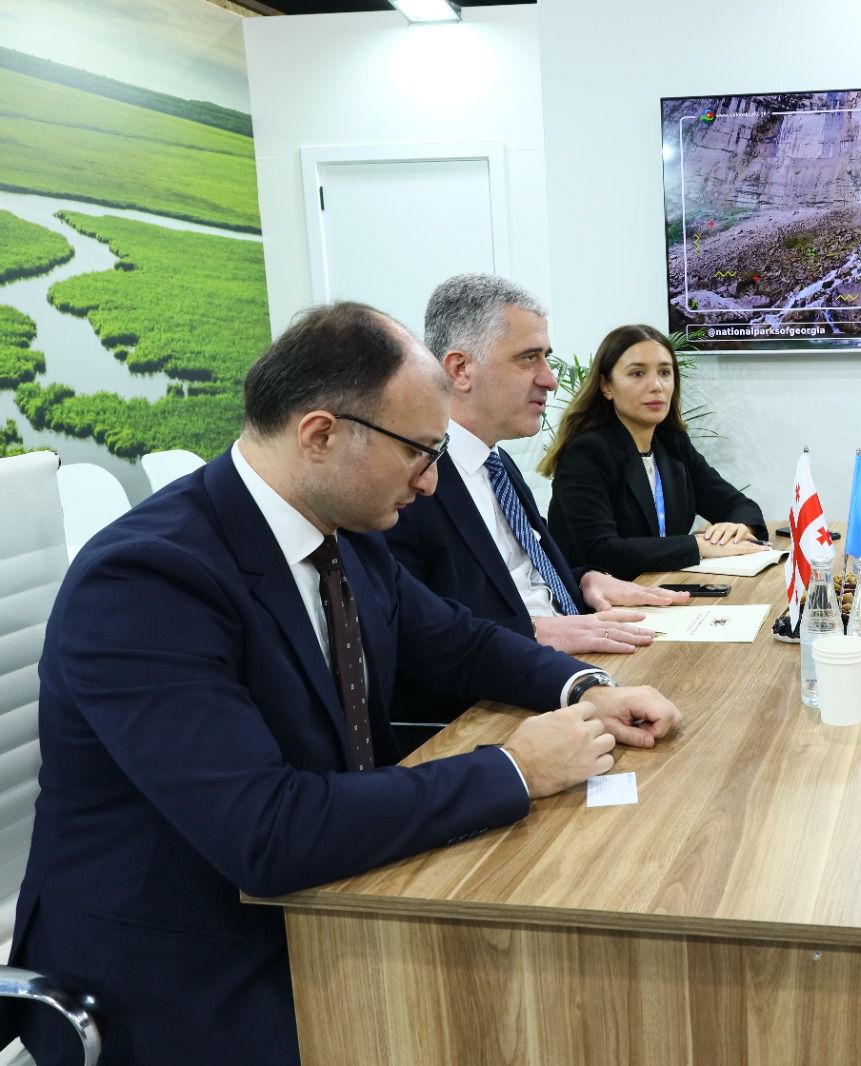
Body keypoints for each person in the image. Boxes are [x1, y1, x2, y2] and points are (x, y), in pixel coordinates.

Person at [4, 303, 682, 1066]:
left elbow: (457, 643)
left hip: (324, 891)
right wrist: (516, 769)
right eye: (419, 452)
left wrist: (584, 687)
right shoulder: (149, 580)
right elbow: (267, 831)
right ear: (321, 435)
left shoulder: (343, 531)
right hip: (178, 961)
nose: (431, 482)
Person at [385, 276, 689, 750]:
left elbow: (525, 574)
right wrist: (534, 632)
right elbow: (411, 636)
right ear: (460, 370)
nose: (550, 378)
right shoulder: (408, 483)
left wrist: (583, 579)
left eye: (546, 358)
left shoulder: (497, 462)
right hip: (493, 713)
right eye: (529, 358)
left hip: (577, 667)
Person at [542, 323, 766, 580]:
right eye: (638, 373)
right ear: (606, 386)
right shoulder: (587, 452)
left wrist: (737, 528)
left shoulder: (672, 443)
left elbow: (739, 505)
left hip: (666, 586)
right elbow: (601, 551)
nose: (656, 385)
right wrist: (697, 545)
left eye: (664, 372)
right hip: (601, 599)